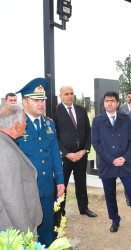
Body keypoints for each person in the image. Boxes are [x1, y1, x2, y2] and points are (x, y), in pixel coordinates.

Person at [15, 78, 65, 247]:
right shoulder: (16, 124)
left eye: (42, 99)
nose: (41, 103)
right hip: (25, 189)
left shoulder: (49, 124)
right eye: (36, 100)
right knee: (26, 231)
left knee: (47, 229)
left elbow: (55, 155)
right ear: (24, 102)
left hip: (46, 188)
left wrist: (59, 181)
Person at [91, 91, 131, 233]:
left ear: (117, 103)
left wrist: (126, 157)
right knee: (110, 194)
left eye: (112, 100)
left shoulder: (125, 119)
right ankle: (115, 220)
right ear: (104, 103)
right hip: (108, 164)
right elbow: (96, 143)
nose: (109, 103)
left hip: (125, 162)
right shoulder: (97, 121)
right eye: (106, 100)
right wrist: (111, 160)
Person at [0, 104, 42, 233]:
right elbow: (13, 199)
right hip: (12, 226)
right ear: (17, 125)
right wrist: (26, 233)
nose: (26, 125)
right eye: (25, 122)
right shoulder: (4, 152)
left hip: (8, 221)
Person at [54, 86, 97, 217]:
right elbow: (55, 136)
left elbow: (88, 132)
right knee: (62, 184)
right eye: (66, 94)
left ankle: (84, 208)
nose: (69, 96)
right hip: (65, 156)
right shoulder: (55, 111)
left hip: (81, 155)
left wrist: (85, 150)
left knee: (81, 182)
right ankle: (60, 211)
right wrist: (66, 153)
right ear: (60, 96)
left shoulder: (81, 110)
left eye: (72, 93)